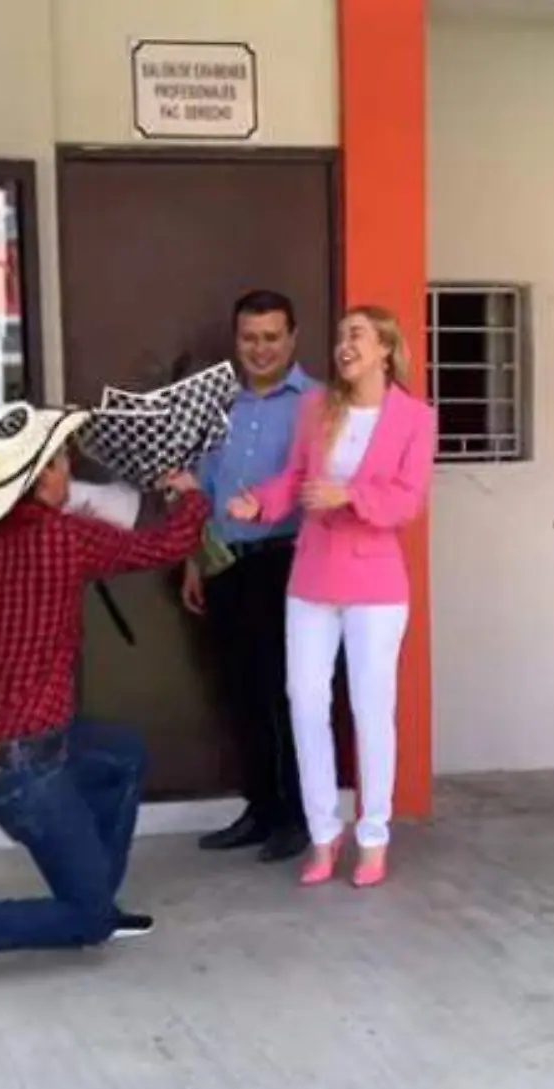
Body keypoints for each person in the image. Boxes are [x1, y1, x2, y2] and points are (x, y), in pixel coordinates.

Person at [0, 402, 210, 1007]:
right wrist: (189, 493)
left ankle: (95, 896)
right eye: (63, 463)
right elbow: (167, 543)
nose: (71, 472)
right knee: (82, 918)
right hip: (20, 761)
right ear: (42, 479)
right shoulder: (64, 538)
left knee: (122, 755)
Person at [227, 306, 436, 888]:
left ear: (385, 350)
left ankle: (373, 836)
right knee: (304, 701)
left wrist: (348, 495)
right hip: (312, 577)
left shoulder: (414, 418)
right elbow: (295, 479)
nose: (344, 344)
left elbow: (406, 500)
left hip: (375, 582)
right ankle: (324, 834)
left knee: (371, 709)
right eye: (341, 334)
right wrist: (261, 504)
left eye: (357, 336)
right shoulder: (316, 406)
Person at [188, 290, 317, 863]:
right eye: (249, 338)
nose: (260, 349)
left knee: (286, 695)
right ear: (235, 340)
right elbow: (206, 488)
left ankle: (298, 816)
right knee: (239, 693)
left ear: (292, 339)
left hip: (286, 564)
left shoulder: (318, 405)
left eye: (271, 337)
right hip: (224, 563)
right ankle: (261, 808)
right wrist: (194, 557)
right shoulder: (219, 406)